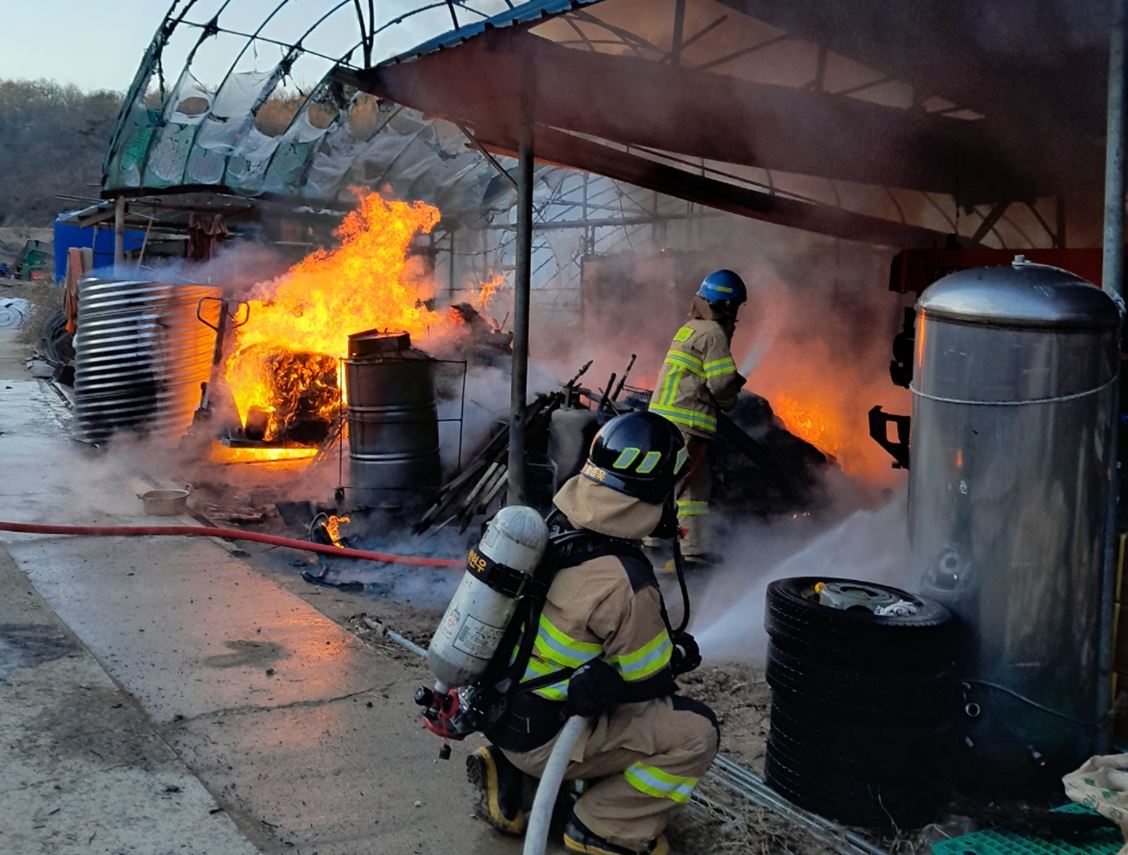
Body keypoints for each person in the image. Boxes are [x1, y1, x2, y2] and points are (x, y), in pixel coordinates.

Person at [467, 412, 719, 855]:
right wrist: (674, 653)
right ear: (656, 492)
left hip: (500, 715)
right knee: (694, 731)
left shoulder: (553, 528)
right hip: (548, 740)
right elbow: (645, 679)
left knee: (589, 688)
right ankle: (602, 828)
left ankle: (517, 787)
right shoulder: (625, 582)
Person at [647, 269, 748, 565]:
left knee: (668, 483)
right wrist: (729, 400)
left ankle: (653, 542)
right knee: (692, 489)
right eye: (737, 307)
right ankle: (692, 551)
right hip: (689, 422)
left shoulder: (690, 328)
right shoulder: (715, 334)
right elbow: (721, 383)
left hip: (665, 419)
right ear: (728, 305)